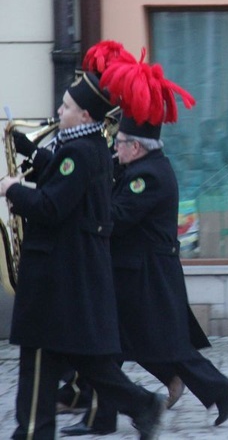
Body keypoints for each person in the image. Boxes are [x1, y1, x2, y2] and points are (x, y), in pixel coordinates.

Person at [59, 58, 228, 435]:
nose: (116, 148)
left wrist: (91, 192)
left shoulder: (148, 177)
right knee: (115, 349)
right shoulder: (138, 168)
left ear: (137, 147)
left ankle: (220, 390)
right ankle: (103, 417)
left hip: (147, 275)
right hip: (134, 271)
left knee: (167, 347)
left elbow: (119, 218)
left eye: (121, 143)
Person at [0, 72, 165, 439]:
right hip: (71, 270)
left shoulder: (78, 150)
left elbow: (52, 205)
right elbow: (66, 179)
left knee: (41, 356)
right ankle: (141, 404)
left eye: (67, 106)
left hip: (58, 271)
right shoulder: (86, 147)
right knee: (85, 360)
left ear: (86, 115)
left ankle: (33, 431)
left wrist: (13, 189)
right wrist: (32, 152)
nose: (60, 110)